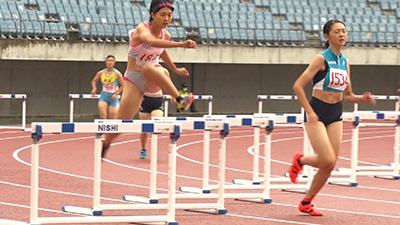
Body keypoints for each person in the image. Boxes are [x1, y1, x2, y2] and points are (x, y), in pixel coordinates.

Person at [290, 19, 376, 216]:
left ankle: (306, 202)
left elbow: (347, 95)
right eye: (337, 31)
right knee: (327, 158)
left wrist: (361, 99)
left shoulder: (345, 63)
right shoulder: (321, 59)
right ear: (327, 36)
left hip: (336, 112)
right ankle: (301, 160)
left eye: (344, 31)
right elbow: (298, 86)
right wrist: (310, 112)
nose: (342, 34)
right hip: (317, 112)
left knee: (330, 164)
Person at [101, 0, 196, 158]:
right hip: (133, 79)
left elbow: (162, 51)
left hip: (151, 77)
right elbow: (151, 41)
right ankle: (105, 144)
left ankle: (180, 98)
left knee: (154, 68)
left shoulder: (166, 35)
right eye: (162, 15)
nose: (166, 19)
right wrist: (181, 44)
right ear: (152, 15)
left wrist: (176, 69)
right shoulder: (142, 28)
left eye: (170, 15)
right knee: (120, 125)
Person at [91, 55, 124, 119]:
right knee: (102, 116)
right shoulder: (101, 73)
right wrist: (94, 88)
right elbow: (94, 81)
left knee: (112, 117)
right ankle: (102, 128)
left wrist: (116, 94)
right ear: (106, 62)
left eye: (112, 61)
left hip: (113, 97)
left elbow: (123, 85)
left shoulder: (117, 73)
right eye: (109, 61)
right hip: (104, 96)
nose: (110, 62)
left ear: (114, 63)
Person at [138, 94, 164, 159]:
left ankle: (154, 150)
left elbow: (167, 85)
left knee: (155, 126)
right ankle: (143, 149)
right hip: (145, 101)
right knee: (144, 130)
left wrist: (173, 96)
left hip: (157, 101)